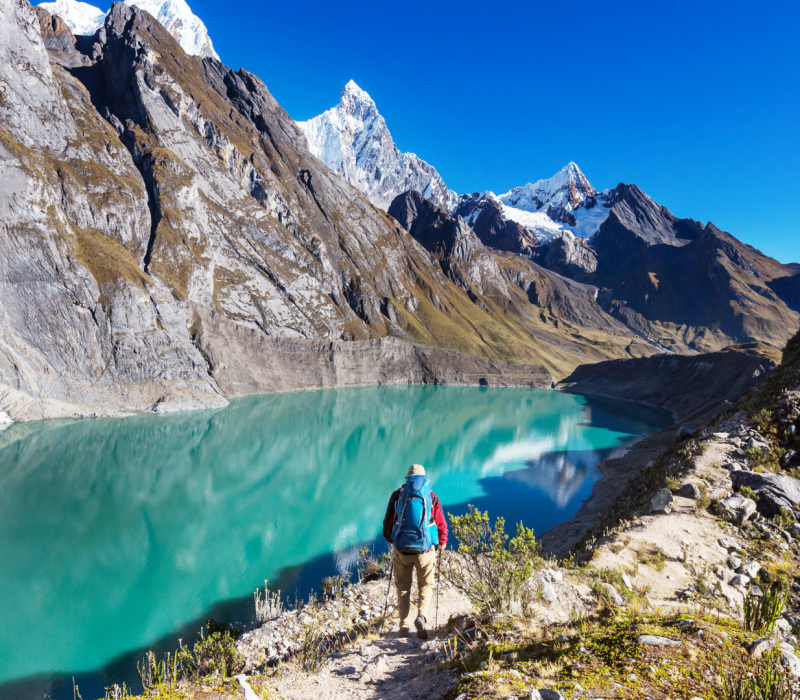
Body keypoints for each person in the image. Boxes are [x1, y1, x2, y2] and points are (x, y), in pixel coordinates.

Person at [382, 464, 448, 639]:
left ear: (408, 479)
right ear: (424, 479)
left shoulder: (398, 496)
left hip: (401, 551)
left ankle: (403, 626)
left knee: (403, 587)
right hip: (425, 551)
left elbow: (388, 524)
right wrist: (442, 543)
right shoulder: (431, 497)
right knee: (425, 585)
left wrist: (393, 541)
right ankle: (421, 616)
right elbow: (441, 524)